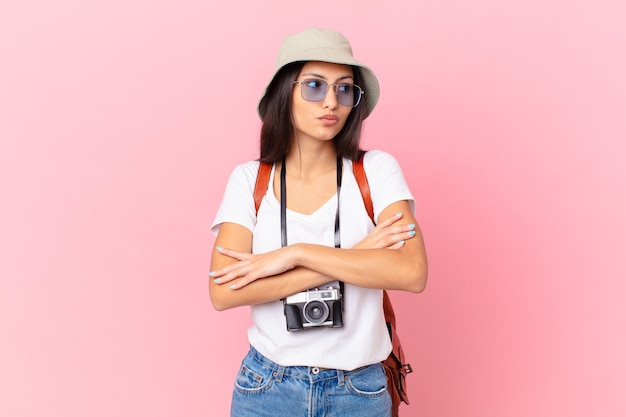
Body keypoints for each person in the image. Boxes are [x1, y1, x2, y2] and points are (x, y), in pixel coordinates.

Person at [209, 27, 427, 417]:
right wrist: (360, 255)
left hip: (358, 390)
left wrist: (295, 254)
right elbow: (224, 293)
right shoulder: (250, 180)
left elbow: (412, 273)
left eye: (344, 89)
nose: (331, 102)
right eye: (314, 86)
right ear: (284, 93)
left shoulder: (374, 171)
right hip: (267, 387)